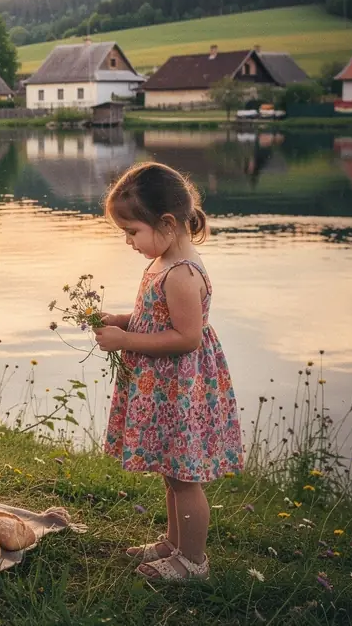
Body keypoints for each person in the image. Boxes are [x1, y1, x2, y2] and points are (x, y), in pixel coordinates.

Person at [94, 162, 242, 581]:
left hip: (181, 388)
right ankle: (175, 544)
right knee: (171, 472)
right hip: (164, 387)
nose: (128, 241)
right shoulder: (163, 261)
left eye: (132, 231)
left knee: (184, 478)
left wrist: (125, 340)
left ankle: (193, 562)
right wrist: (121, 320)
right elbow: (154, 317)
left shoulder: (181, 274)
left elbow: (186, 337)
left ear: (167, 223)